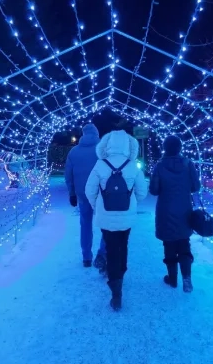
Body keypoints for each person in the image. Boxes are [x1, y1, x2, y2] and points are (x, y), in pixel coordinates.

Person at [85, 130, 148, 311]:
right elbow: (142, 192)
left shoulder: (100, 164)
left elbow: (90, 190)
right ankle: (121, 276)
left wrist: (98, 206)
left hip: (106, 217)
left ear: (108, 144)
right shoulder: (132, 165)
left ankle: (116, 291)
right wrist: (132, 202)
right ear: (129, 145)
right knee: (123, 245)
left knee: (111, 249)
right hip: (126, 217)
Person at [149, 135, 201, 293]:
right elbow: (195, 186)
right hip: (184, 209)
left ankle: (172, 278)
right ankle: (186, 278)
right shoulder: (188, 164)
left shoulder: (159, 166)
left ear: (165, 148)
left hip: (165, 209)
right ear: (179, 148)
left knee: (169, 243)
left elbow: (154, 190)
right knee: (184, 243)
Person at [65, 124, 107, 270]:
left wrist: (71, 193)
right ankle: (103, 253)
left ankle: (86, 257)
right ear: (96, 133)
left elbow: (68, 174)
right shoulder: (103, 150)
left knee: (85, 224)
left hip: (82, 194)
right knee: (106, 225)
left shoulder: (73, 152)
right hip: (102, 193)